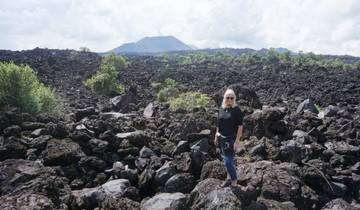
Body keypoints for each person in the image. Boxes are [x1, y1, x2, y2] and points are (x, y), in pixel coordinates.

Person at [214, 88, 244, 187]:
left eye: (232, 98)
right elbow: (219, 125)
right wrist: (216, 136)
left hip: (231, 139)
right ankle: (229, 177)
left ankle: (234, 180)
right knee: (225, 159)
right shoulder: (221, 109)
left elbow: (240, 126)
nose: (230, 100)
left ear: (234, 98)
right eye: (228, 97)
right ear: (224, 98)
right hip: (221, 138)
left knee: (228, 161)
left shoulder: (236, 110)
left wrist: (237, 141)